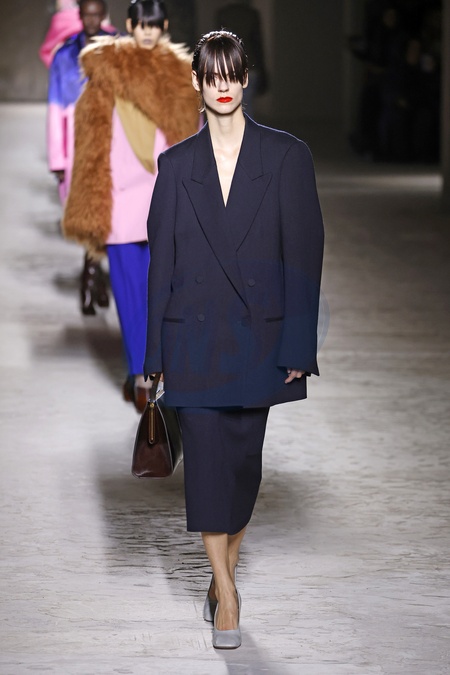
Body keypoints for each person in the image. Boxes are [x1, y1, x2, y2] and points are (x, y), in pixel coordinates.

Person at [144, 31, 324, 649]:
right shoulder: (175, 167)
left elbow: (304, 255)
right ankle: (226, 593)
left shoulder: (287, 157)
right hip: (192, 342)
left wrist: (298, 345)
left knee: (243, 469)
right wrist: (154, 357)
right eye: (212, 76)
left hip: (257, 341)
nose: (223, 86)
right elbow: (161, 267)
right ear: (196, 82)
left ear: (246, 79)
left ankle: (225, 573)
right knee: (206, 472)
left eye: (233, 74)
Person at [62, 0, 199, 411]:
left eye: (153, 25)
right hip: (121, 200)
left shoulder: (181, 78)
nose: (147, 31)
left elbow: (191, 144)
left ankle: (144, 374)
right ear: (129, 25)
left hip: (160, 200)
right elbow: (89, 143)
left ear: (164, 25)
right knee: (130, 294)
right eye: (141, 24)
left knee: (159, 294)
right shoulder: (106, 71)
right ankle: (142, 375)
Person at [47, 0, 115, 315]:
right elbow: (55, 109)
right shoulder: (64, 55)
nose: (91, 20)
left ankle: (90, 279)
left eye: (96, 14)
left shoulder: (116, 50)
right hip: (76, 146)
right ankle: (94, 277)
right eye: (86, 15)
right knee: (88, 216)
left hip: (112, 143)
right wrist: (57, 160)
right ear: (80, 16)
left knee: (104, 213)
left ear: (103, 16)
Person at [215, 1, 268, 118]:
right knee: (247, 106)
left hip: (229, 64)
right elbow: (257, 43)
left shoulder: (223, 14)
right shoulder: (251, 14)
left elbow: (219, 43)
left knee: (229, 107)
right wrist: (262, 68)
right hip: (249, 64)